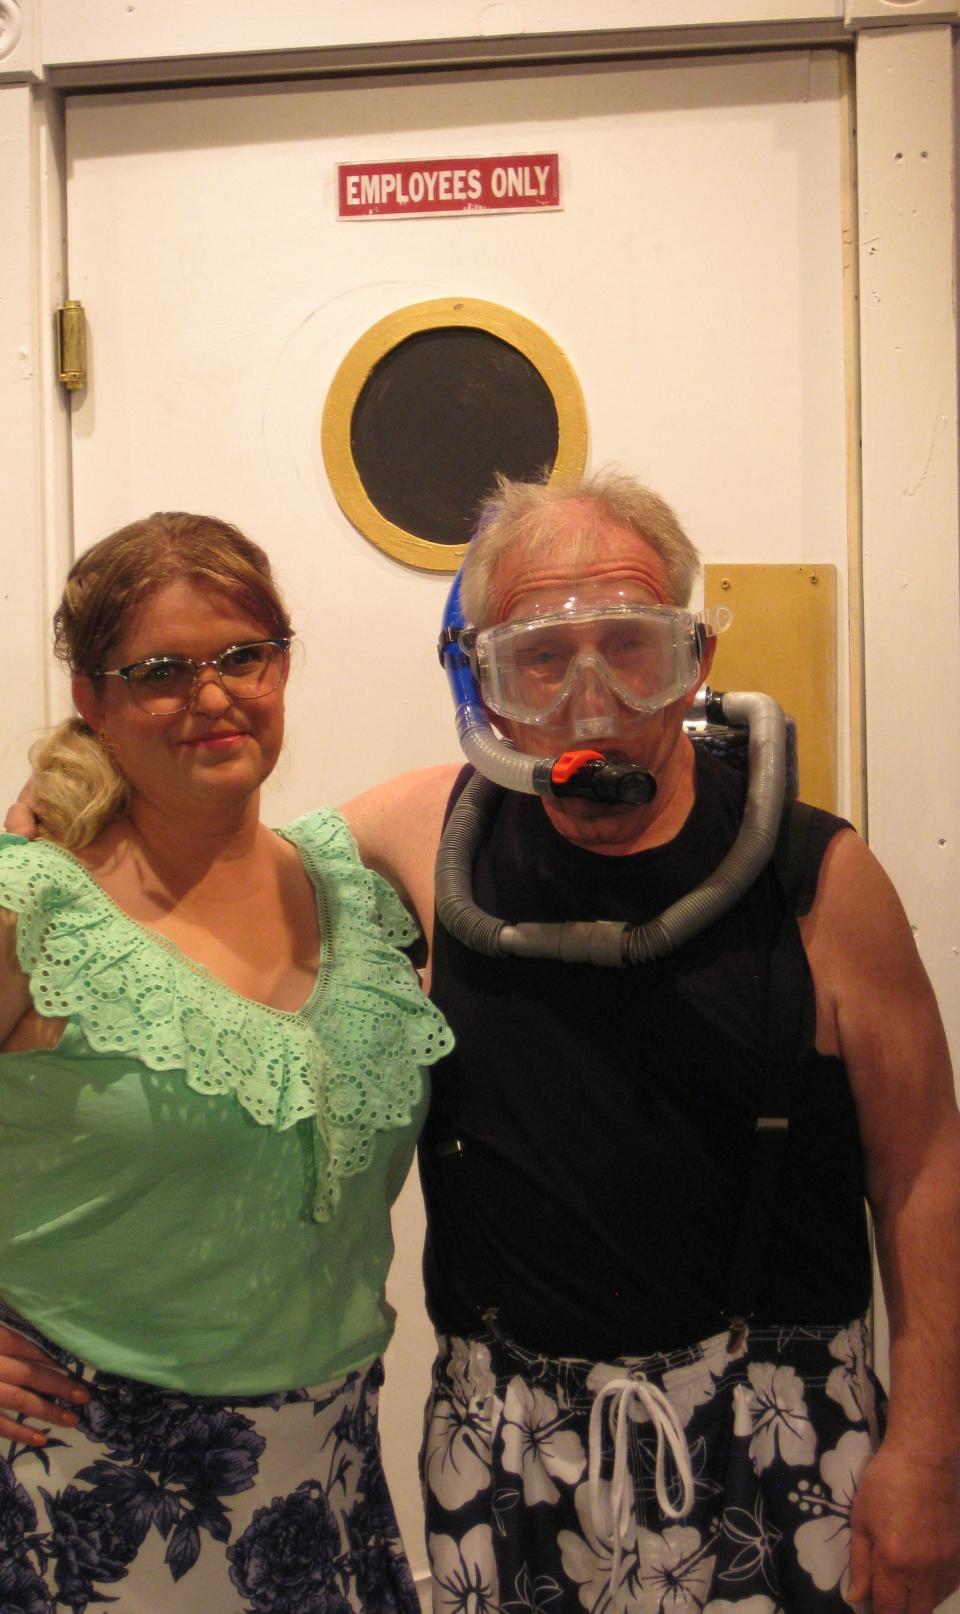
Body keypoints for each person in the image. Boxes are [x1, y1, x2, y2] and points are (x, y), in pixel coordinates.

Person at [334, 470, 960, 1614]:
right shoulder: (425, 843)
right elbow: (208, 890)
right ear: (481, 684)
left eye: (632, 644)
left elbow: (922, 1171)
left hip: (778, 1430)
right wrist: (69, 818)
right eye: (540, 655)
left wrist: (931, 1454)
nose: (590, 699)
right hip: (508, 1446)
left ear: (697, 659)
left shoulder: (818, 878)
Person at [0, 511, 452, 1613]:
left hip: (327, 1488)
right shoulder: (35, 909)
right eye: (159, 672)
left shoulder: (358, 886)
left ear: (283, 663)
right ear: (91, 699)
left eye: (243, 656)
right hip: (74, 1494)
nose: (212, 697)